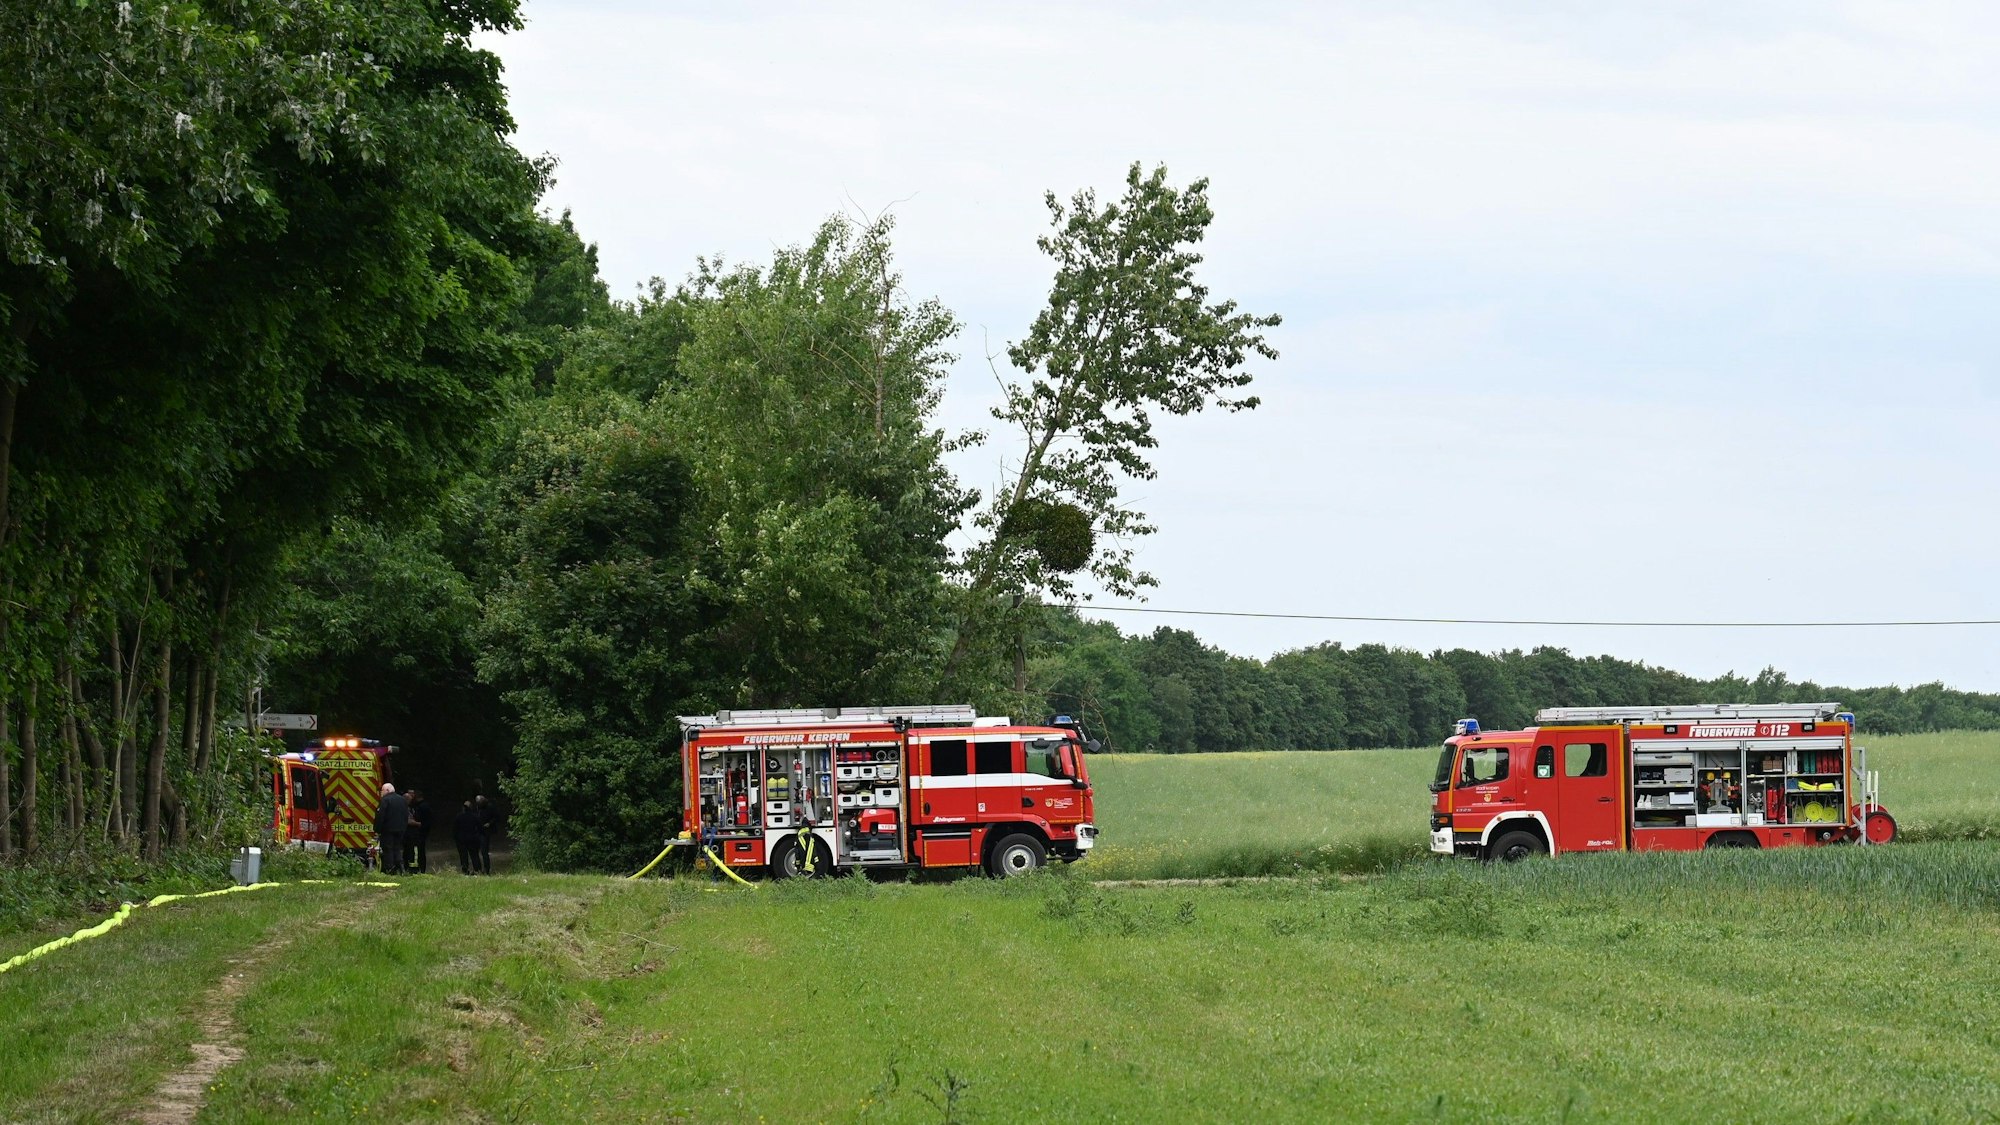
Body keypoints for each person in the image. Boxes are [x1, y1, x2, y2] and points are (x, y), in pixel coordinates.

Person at [374, 782, 409, 875]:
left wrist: (377, 829)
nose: (381, 793)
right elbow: (406, 815)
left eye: (382, 790)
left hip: (388, 830)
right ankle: (401, 869)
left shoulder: (385, 800)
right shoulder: (402, 800)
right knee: (397, 849)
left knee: (388, 849)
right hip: (400, 830)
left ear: (388, 790)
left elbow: (380, 816)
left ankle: (390, 870)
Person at [404, 788, 432, 874]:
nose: (412, 797)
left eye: (413, 795)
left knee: (416, 852)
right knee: (413, 852)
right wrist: (417, 824)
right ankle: (415, 869)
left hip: (417, 833)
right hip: (413, 833)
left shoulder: (418, 807)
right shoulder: (409, 807)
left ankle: (415, 869)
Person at [453, 799, 484, 875]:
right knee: (474, 855)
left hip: (462, 839)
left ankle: (465, 871)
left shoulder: (459, 816)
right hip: (473, 838)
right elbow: (480, 827)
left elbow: (455, 829)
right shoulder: (474, 816)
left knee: (463, 856)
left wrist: (456, 838)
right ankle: (477, 870)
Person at [475, 794, 498, 874]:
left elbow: (496, 817)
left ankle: (486, 869)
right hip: (478, 830)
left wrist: (489, 823)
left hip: (485, 832)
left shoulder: (490, 807)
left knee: (484, 851)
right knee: (475, 851)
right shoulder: (478, 808)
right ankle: (478, 869)